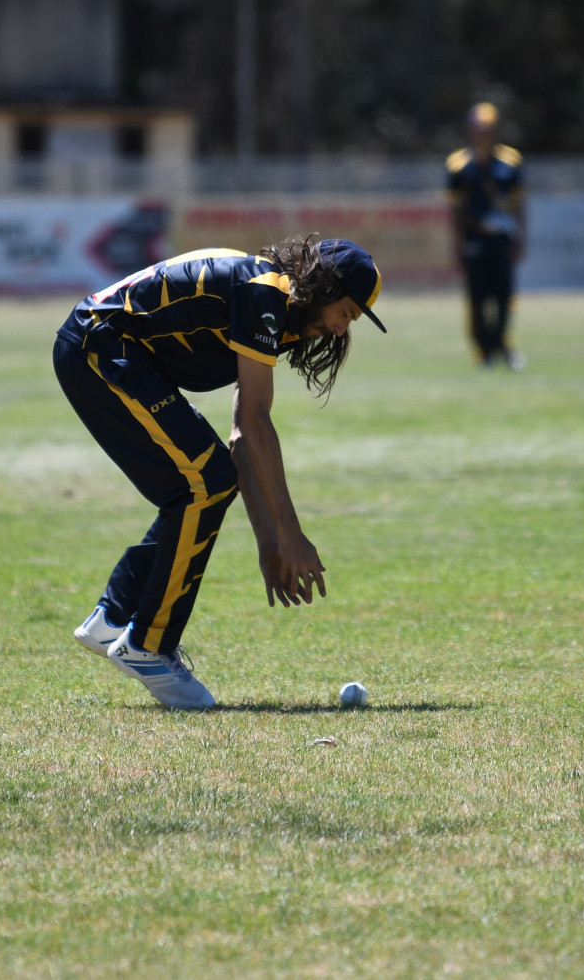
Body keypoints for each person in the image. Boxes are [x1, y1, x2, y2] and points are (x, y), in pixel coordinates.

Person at [55, 236, 386, 709]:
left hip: (110, 351)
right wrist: (292, 536)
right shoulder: (265, 293)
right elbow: (255, 423)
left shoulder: (274, 303)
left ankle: (115, 616)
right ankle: (148, 645)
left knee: (208, 481)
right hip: (100, 349)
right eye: (347, 313)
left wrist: (269, 543)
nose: (340, 330)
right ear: (324, 285)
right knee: (203, 483)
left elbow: (239, 437)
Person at [446, 102, 526, 368]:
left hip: (501, 241)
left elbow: (520, 205)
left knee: (504, 298)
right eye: (479, 130)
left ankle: (502, 345)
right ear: (471, 131)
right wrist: (457, 246)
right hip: (474, 242)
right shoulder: (458, 165)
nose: (483, 135)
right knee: (477, 300)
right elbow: (455, 211)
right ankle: (484, 352)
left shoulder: (511, 162)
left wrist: (521, 237)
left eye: (488, 129)